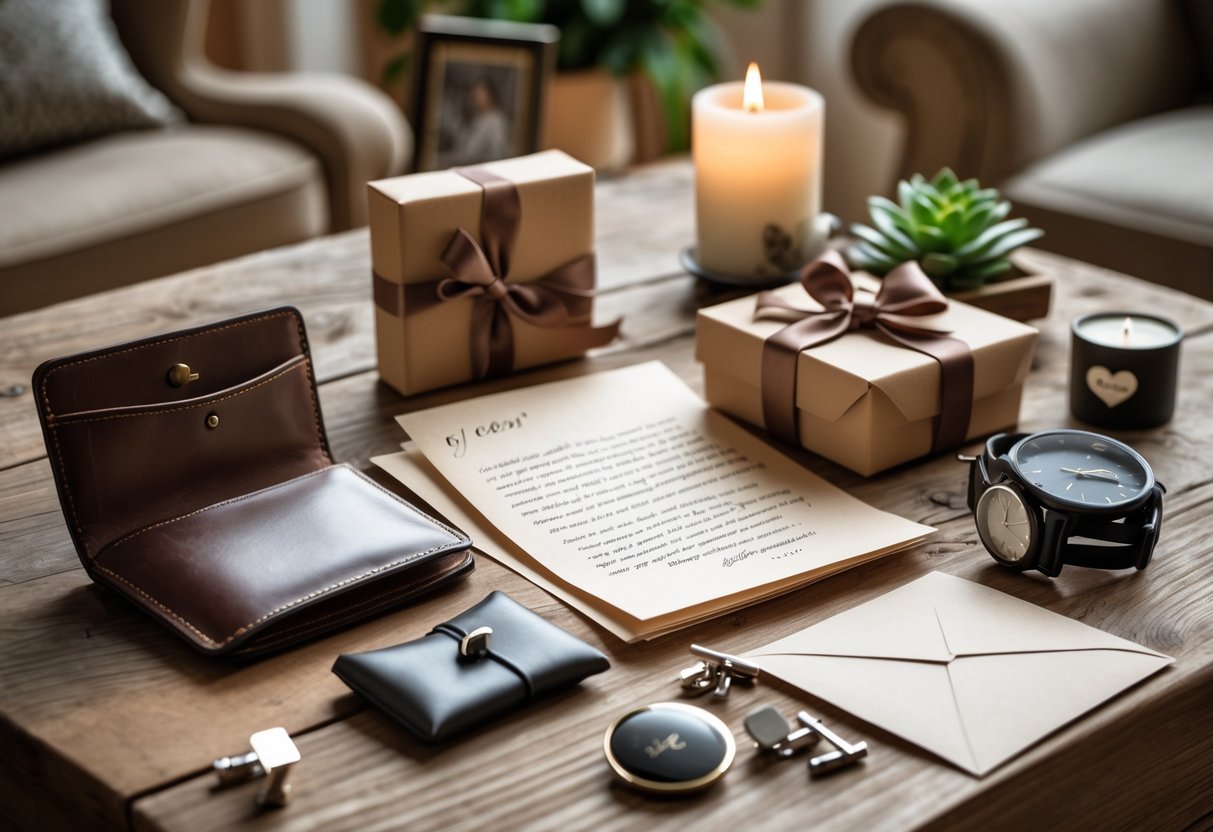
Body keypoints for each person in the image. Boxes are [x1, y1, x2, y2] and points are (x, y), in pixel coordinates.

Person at [442, 77, 510, 166]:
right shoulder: (479, 117)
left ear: (490, 95)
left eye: (479, 95)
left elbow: (497, 152)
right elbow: (467, 147)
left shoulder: (496, 119)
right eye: (474, 96)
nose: (476, 99)